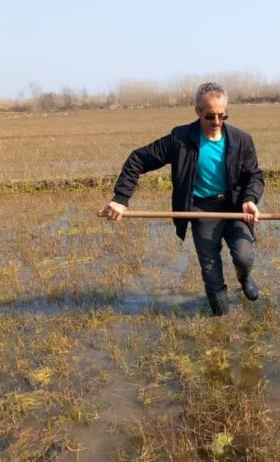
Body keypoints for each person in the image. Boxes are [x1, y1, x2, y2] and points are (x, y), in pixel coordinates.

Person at [101, 82, 264, 316]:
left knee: (244, 257)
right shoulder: (180, 139)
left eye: (222, 115)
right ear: (197, 111)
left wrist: (250, 199)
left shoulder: (241, 140)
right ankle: (221, 319)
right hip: (201, 210)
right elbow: (138, 159)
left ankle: (244, 277)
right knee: (211, 272)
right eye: (210, 116)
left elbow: (254, 176)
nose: (217, 121)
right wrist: (121, 198)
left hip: (235, 207)